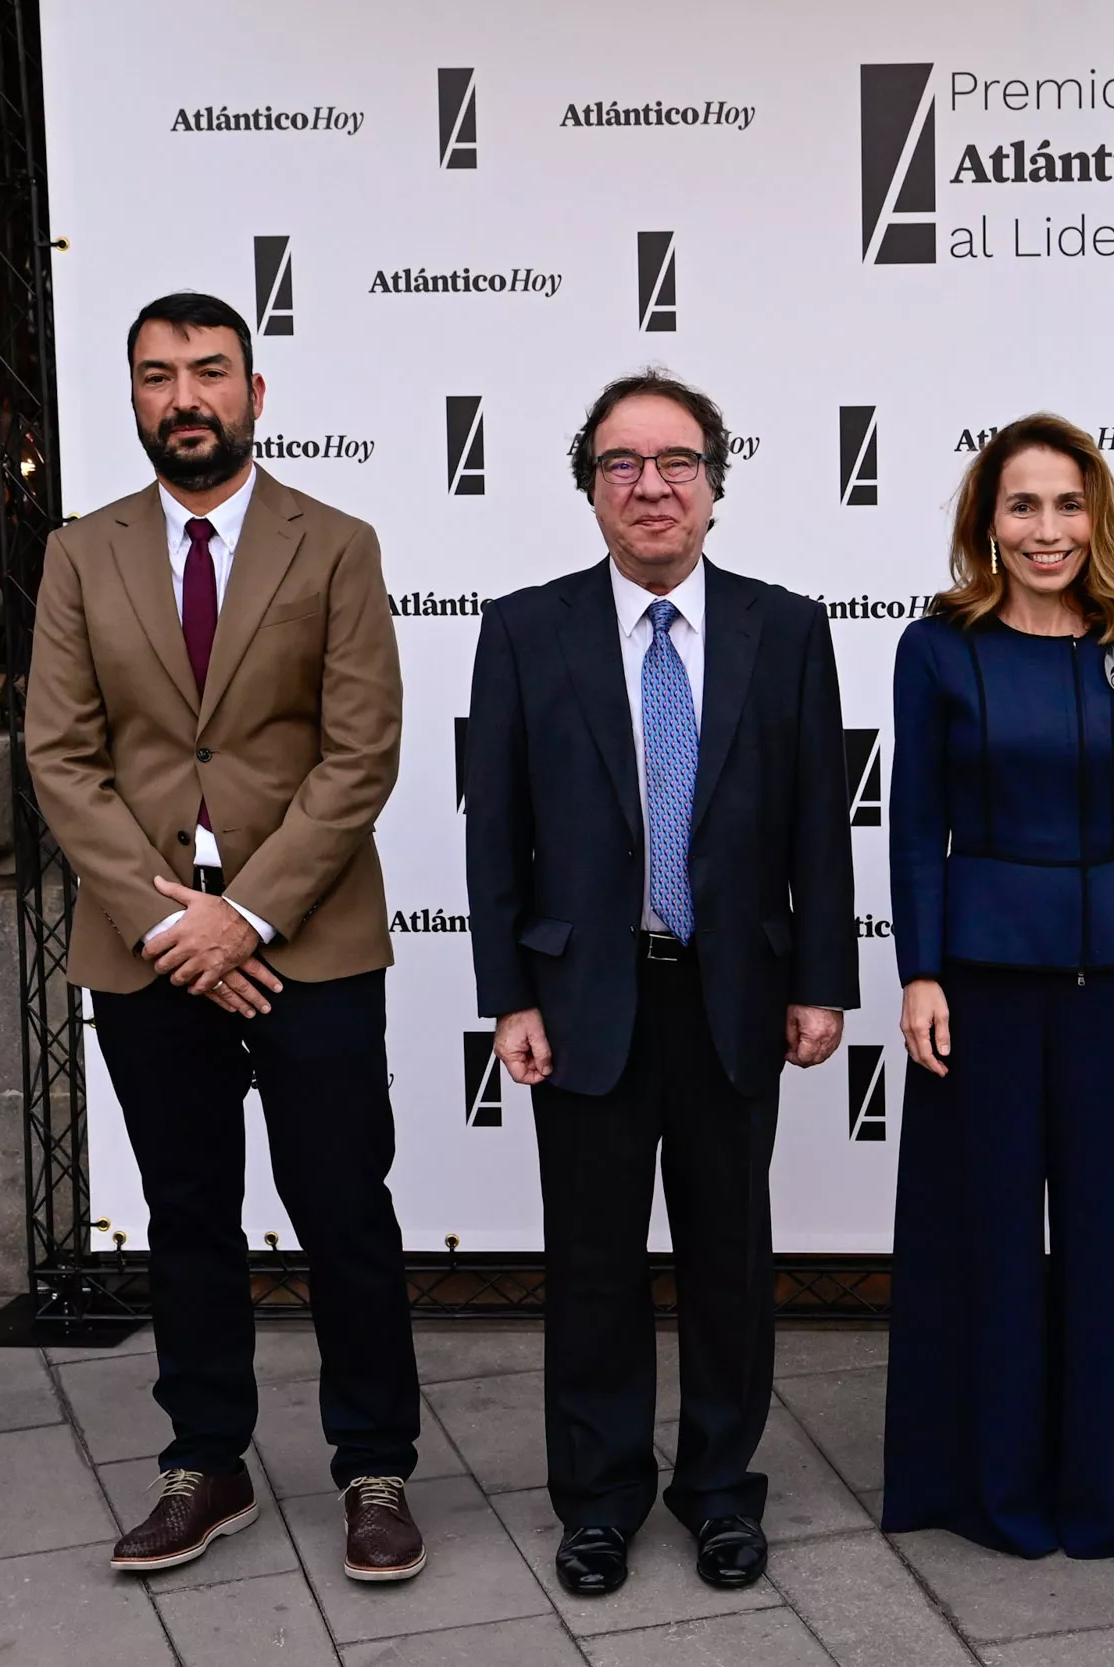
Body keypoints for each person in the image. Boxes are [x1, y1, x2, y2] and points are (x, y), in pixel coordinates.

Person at [25, 291, 423, 1582]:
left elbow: (361, 751)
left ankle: (375, 1463)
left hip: (306, 940)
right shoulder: (81, 553)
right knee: (186, 1208)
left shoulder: (336, 544)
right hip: (146, 950)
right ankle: (207, 1458)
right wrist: (167, 919)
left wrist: (245, 913)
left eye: (209, 371)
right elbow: (59, 754)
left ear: (257, 391)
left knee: (342, 1204)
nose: (184, 395)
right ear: (132, 397)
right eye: (157, 375)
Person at [464, 369, 855, 1599]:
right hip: (586, 998)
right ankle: (599, 1498)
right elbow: (497, 837)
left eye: (676, 461)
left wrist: (823, 981)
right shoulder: (525, 630)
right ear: (588, 487)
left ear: (715, 484)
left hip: (735, 993)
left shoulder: (784, 629)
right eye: (622, 463)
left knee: (730, 1261)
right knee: (590, 1263)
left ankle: (721, 1491)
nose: (651, 485)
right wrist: (508, 997)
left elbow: (816, 832)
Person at [880, 414, 1114, 1559]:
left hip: (1112, 984)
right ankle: (989, 1480)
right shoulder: (935, 646)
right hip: (978, 985)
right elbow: (915, 825)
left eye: (1067, 504)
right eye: (1022, 505)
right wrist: (919, 971)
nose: (1047, 530)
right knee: (982, 1232)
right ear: (986, 521)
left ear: (1100, 516)